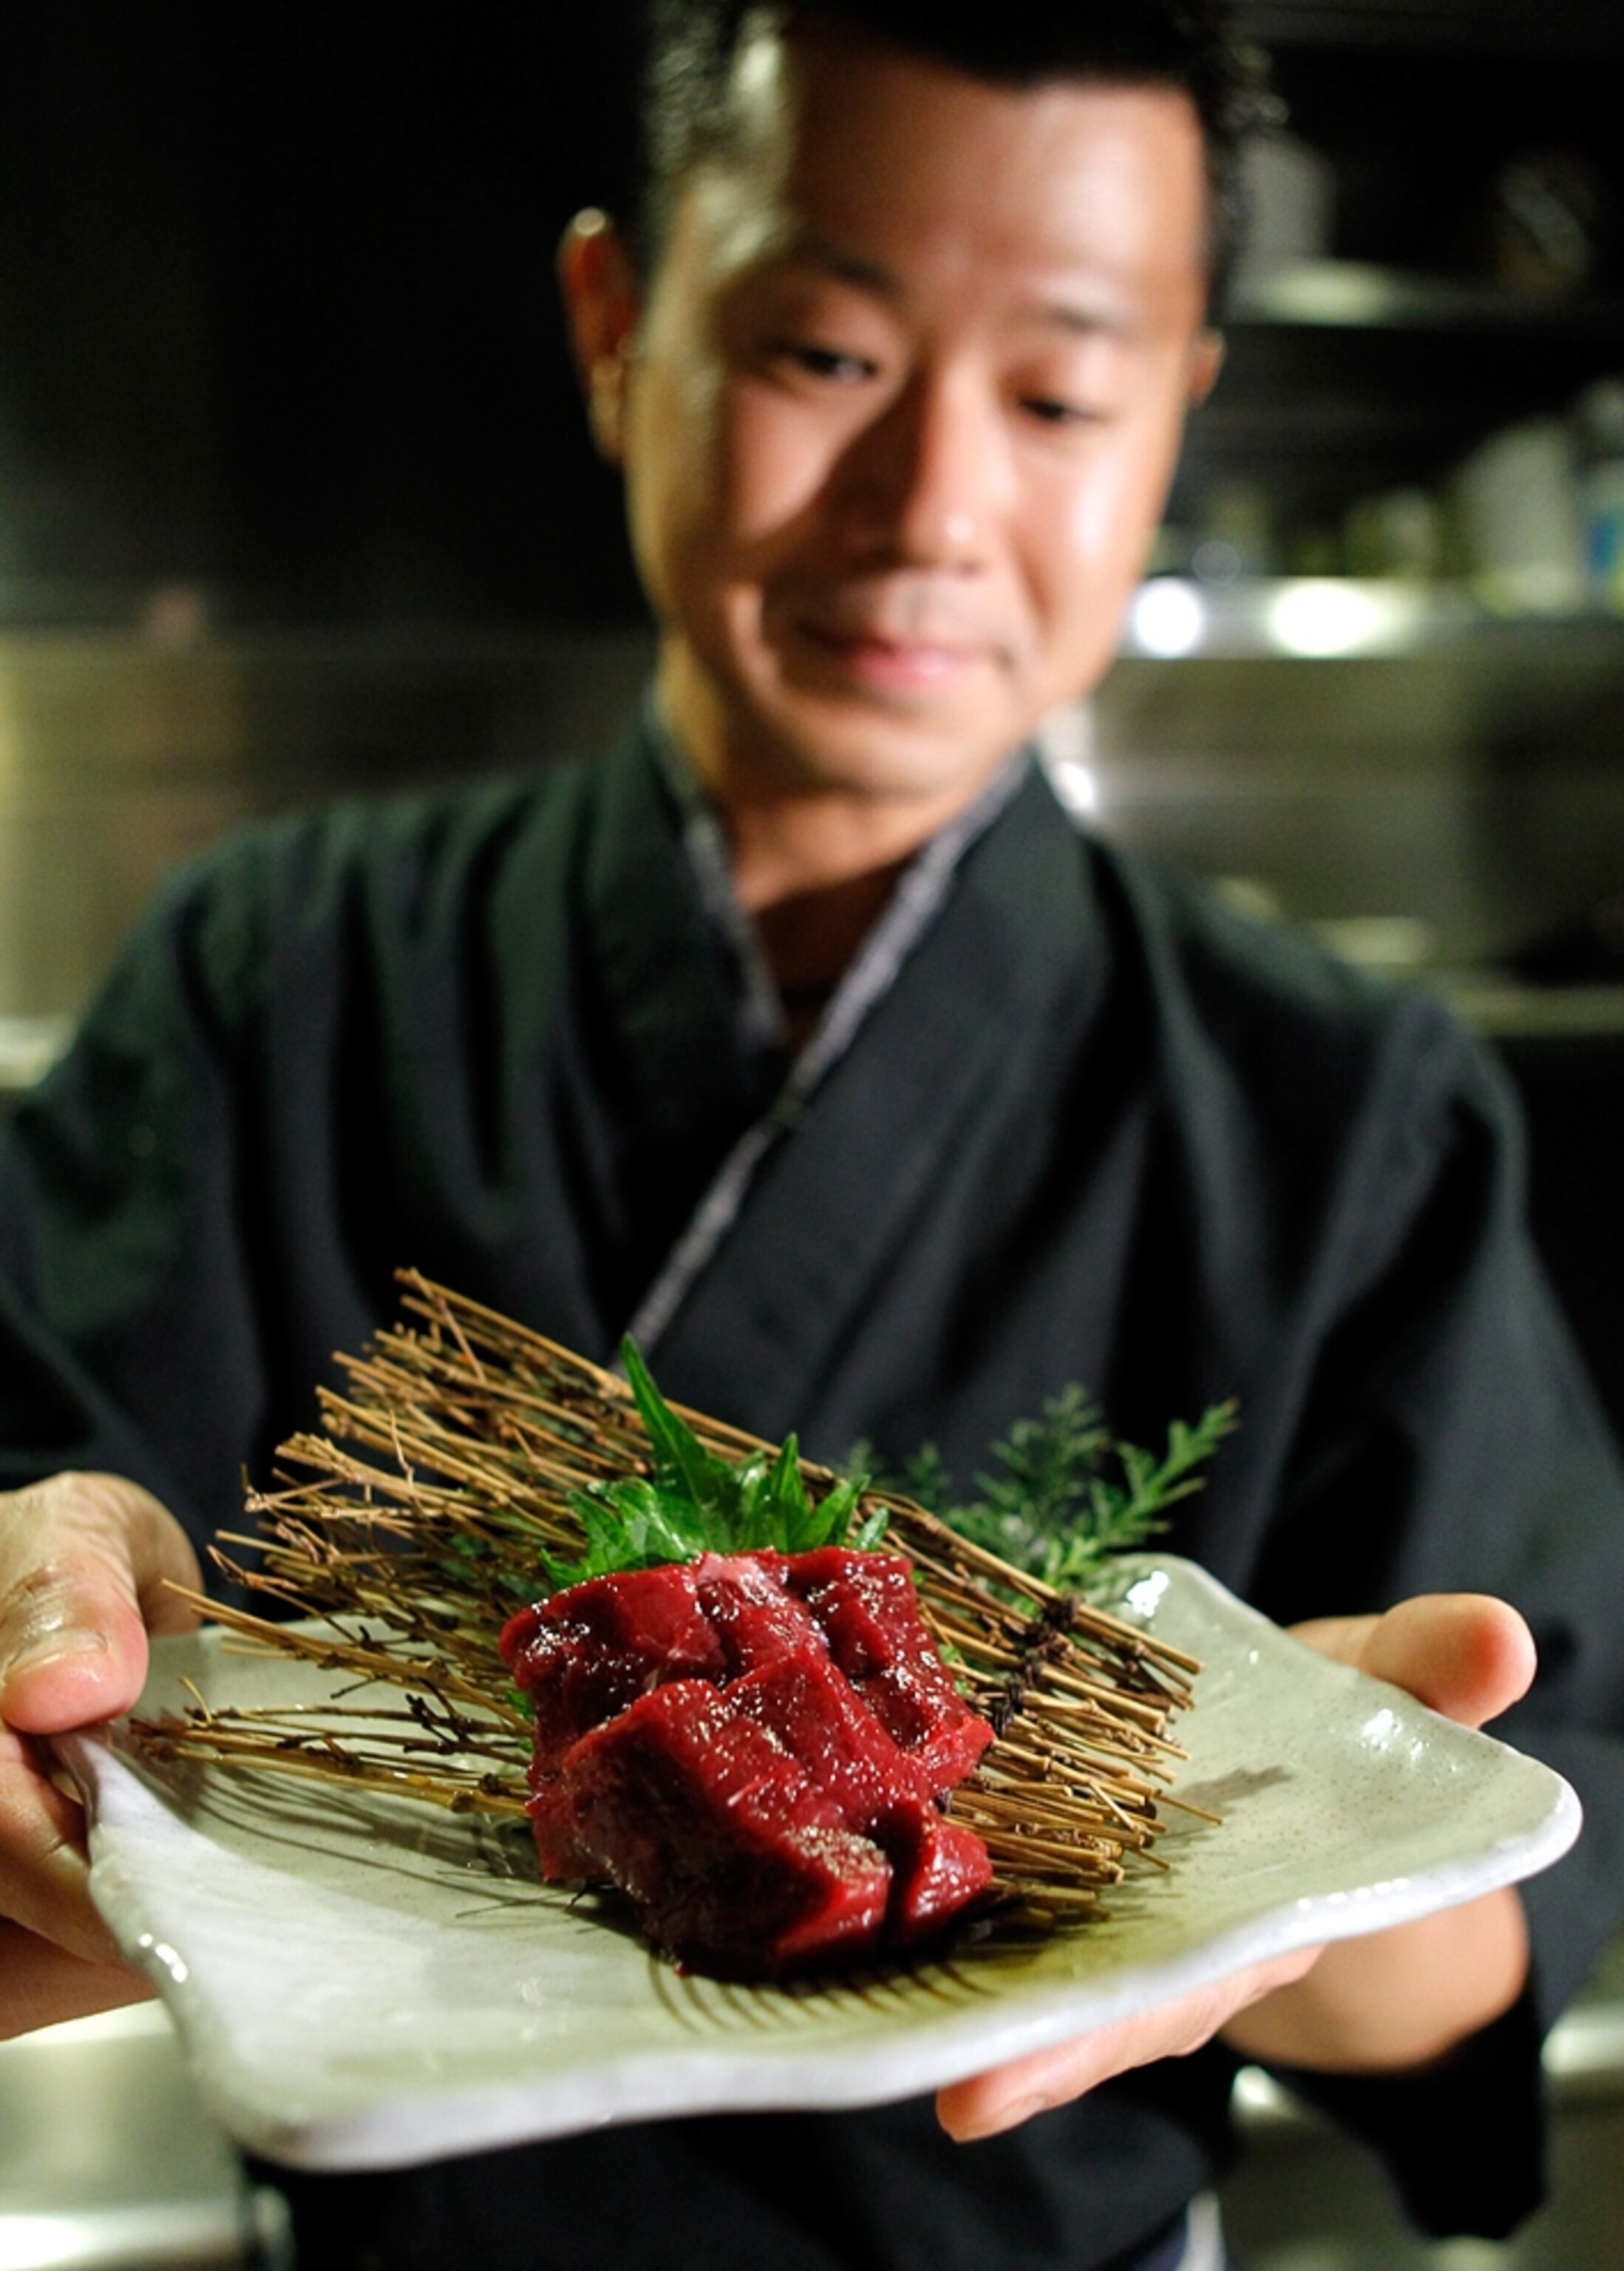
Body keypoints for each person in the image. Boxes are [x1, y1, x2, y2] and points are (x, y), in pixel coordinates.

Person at [1, 3, 1622, 2265]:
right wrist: (38, 1595)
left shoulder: (1345, 1102)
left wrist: (1319, 1844)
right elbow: (44, 1513)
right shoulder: (274, 974)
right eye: (828, 355)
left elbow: (1506, 1938)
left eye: (1059, 392)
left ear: (1175, 413)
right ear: (616, 332)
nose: (937, 503)